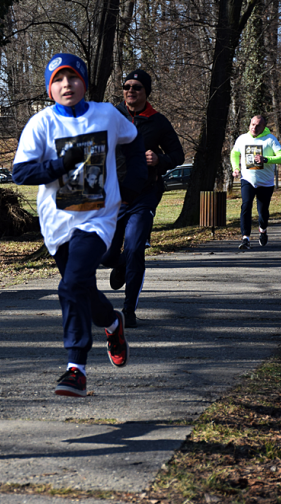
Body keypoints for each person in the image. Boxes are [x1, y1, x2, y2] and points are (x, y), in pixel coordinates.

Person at [12, 53, 147, 397]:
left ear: (84, 82)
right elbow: (21, 172)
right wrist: (60, 165)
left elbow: (133, 141)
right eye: (58, 79)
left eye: (72, 78)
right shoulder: (40, 124)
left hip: (98, 219)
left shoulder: (106, 115)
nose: (66, 85)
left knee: (70, 286)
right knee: (81, 289)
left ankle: (76, 368)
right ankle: (113, 323)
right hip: (58, 224)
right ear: (49, 89)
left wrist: (134, 185)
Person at [101, 69, 184, 328]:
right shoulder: (110, 115)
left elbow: (177, 155)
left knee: (136, 248)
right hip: (113, 196)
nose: (130, 91)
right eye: (126, 86)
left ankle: (129, 311)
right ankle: (122, 262)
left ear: (146, 91)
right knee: (106, 256)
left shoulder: (158, 121)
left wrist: (160, 160)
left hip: (144, 195)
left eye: (136, 87)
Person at [231, 115, 281, 250]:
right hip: (248, 179)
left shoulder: (270, 139)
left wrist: (266, 159)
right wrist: (236, 168)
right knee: (246, 205)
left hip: (265, 183)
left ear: (264, 127)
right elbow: (234, 153)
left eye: (258, 125)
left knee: (262, 212)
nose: (254, 128)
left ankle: (263, 229)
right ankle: (246, 238)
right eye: (252, 124)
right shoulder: (242, 138)